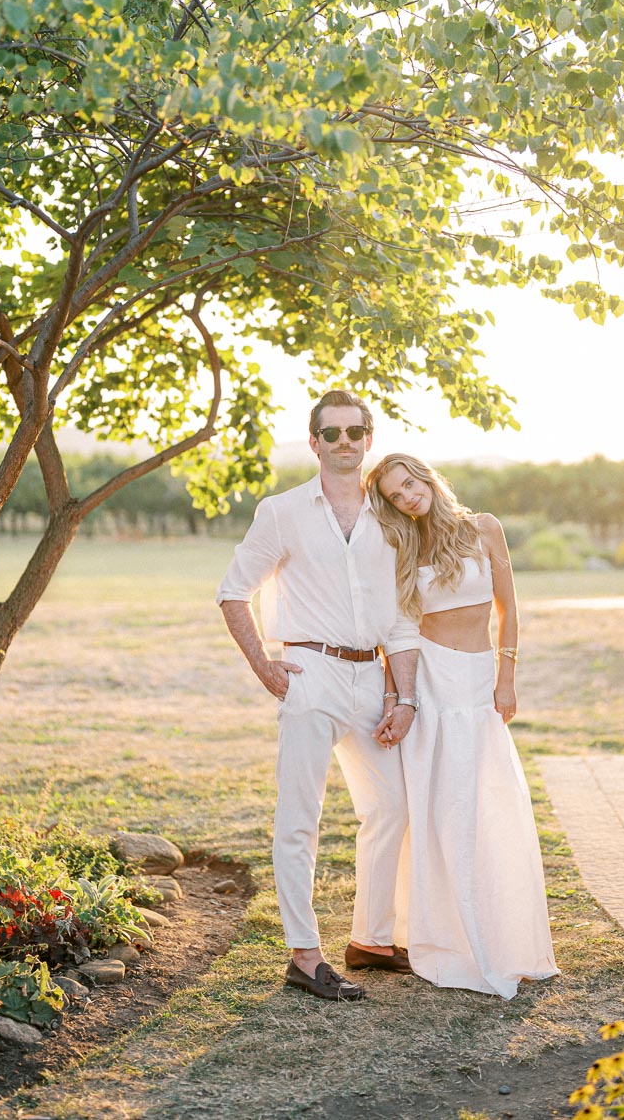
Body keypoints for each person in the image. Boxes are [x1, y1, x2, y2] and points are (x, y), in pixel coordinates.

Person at [217, 391, 421, 1002]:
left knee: (391, 807)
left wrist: (403, 696)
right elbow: (234, 592)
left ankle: (372, 939)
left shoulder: (390, 517)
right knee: (299, 821)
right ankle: (305, 955)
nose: (344, 442)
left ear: (368, 438)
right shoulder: (282, 512)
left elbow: (403, 617)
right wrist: (264, 666)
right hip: (309, 674)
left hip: (373, 680)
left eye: (356, 432)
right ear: (313, 442)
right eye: (331, 433)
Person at [366, 453, 559, 999]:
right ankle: (446, 937)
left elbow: (508, 608)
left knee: (488, 804)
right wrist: (396, 695)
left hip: (477, 683)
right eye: (395, 495)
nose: (407, 497)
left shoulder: (484, 528)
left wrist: (507, 677)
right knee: (439, 810)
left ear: (427, 478)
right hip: (428, 682)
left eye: (409, 484)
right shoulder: (403, 545)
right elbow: (396, 628)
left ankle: (501, 936)